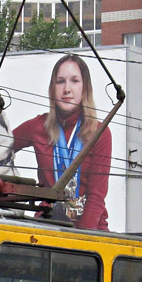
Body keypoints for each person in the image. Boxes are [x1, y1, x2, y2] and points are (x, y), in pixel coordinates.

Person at [12, 54, 112, 230]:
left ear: (85, 88)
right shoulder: (38, 126)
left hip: (89, 231)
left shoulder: (100, 132)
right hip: (48, 226)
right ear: (53, 88)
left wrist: (81, 238)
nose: (67, 89)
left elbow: (96, 196)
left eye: (74, 81)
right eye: (60, 82)